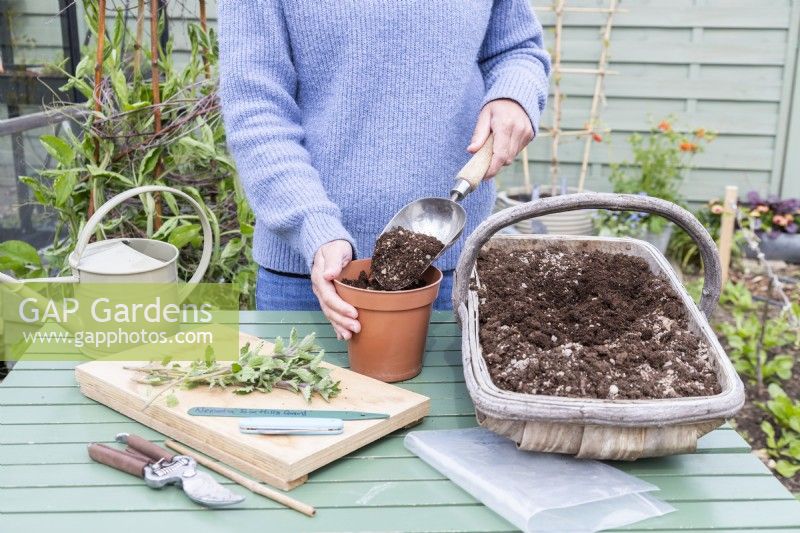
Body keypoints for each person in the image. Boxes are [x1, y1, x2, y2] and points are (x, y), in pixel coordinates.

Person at [219, 1, 551, 340]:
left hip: (456, 272)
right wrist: (312, 225)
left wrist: (514, 96)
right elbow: (256, 106)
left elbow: (516, 49)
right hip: (311, 279)